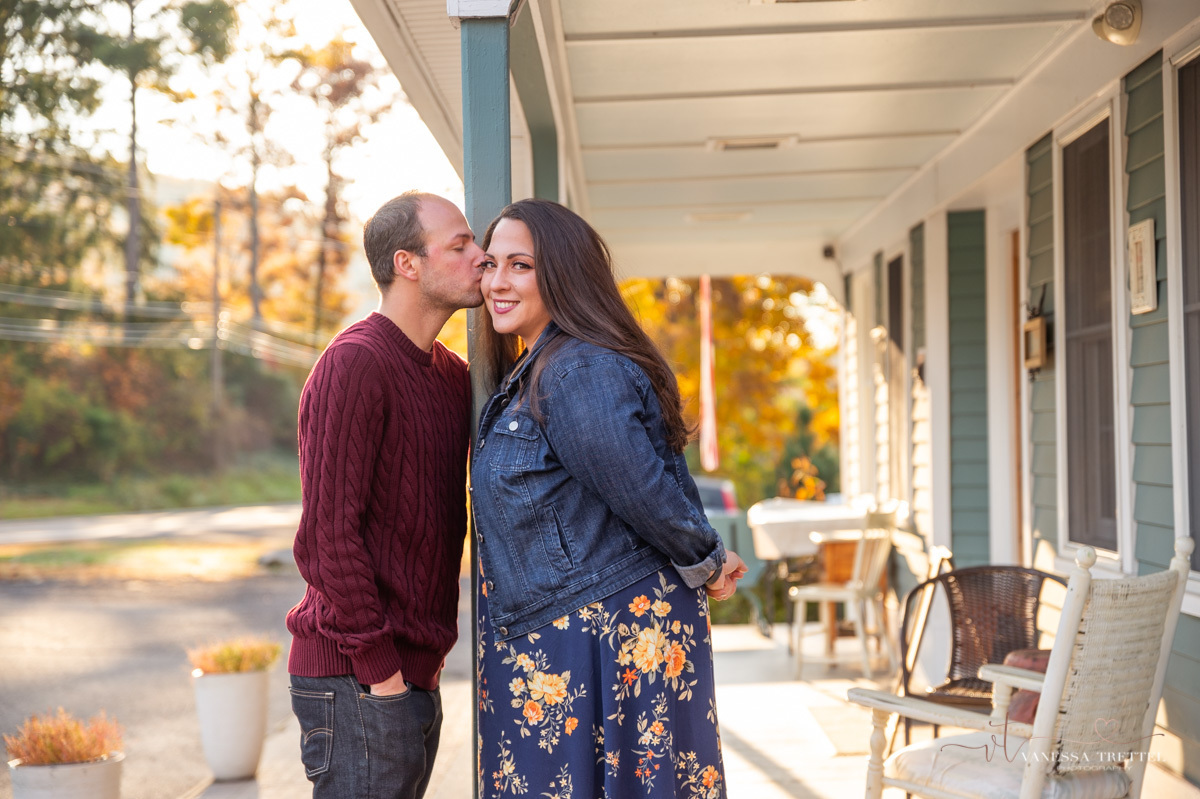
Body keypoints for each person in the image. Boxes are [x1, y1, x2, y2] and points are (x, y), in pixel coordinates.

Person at [471, 198, 746, 799]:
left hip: (600, 636)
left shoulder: (575, 370)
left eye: (520, 265)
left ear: (564, 273)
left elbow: (638, 484)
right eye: (490, 264)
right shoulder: (538, 368)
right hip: (561, 632)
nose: (496, 282)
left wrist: (704, 554)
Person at [285, 191, 485, 799]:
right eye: (461, 245)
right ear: (408, 264)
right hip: (358, 680)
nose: (481, 257)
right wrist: (384, 677)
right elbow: (326, 539)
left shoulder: (452, 379)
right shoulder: (355, 363)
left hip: (409, 680)